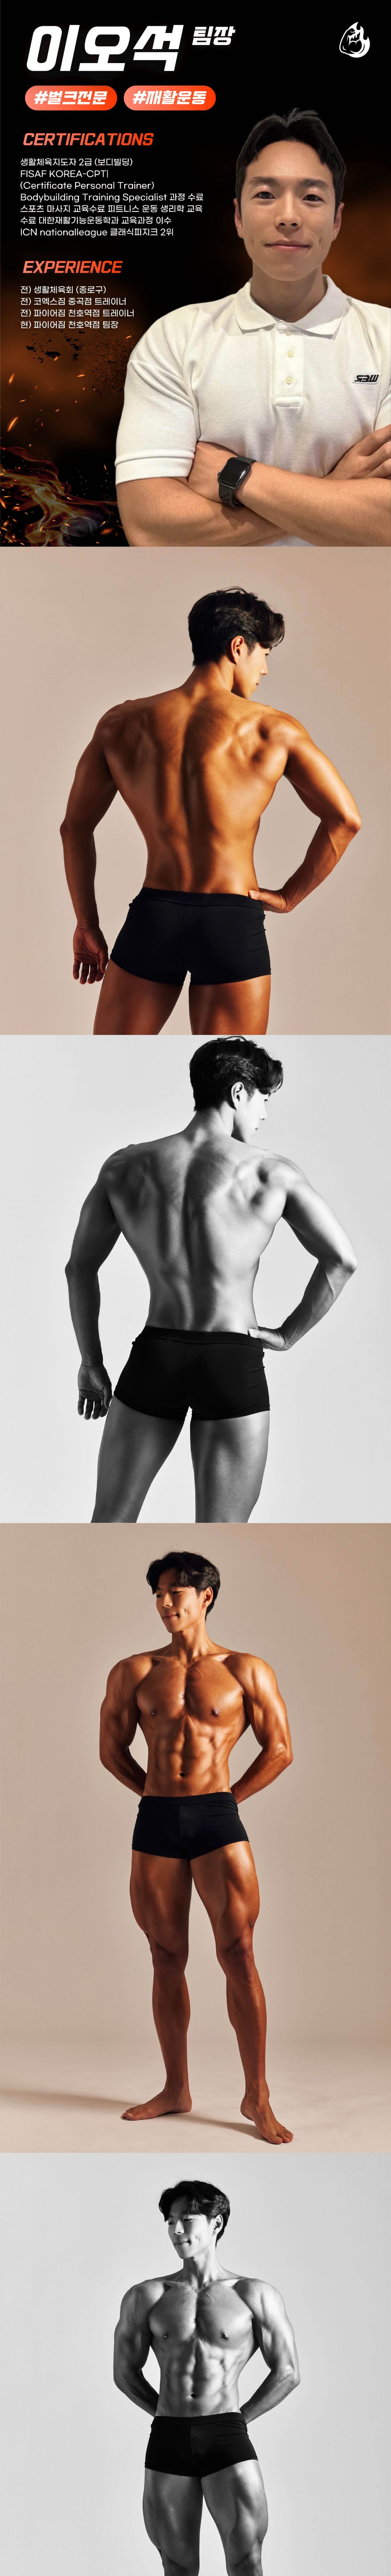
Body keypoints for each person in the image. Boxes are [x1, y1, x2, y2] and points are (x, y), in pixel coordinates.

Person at [65, 1036, 357, 1525]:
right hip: (231, 1358)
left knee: (110, 1521)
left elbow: (79, 1268)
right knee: (223, 1536)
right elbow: (342, 1260)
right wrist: (286, 1335)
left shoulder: (124, 1166)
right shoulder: (272, 1173)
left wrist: (91, 1362)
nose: (264, 1114)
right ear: (239, 1093)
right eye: (263, 1099)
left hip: (156, 1354)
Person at [61, 585, 360, 1034]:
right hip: (231, 920)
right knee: (230, 1069)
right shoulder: (273, 729)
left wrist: (87, 923)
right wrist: (289, 897)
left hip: (154, 916)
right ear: (238, 647)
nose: (264, 670)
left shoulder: (121, 723)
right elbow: (346, 819)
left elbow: (74, 829)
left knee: (112, 1065)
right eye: (264, 655)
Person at [115, 106, 391, 549]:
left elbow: (387, 522)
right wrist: (337, 488)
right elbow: (150, 527)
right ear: (239, 218)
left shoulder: (387, 338)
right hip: (214, 589)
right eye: (265, 194)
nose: (288, 216)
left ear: (337, 220)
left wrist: (239, 477)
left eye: (312, 197)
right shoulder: (174, 340)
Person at [100, 1548, 293, 2143]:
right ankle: (176, 2088)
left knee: (239, 1951)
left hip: (216, 1818)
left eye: (175, 1593)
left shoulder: (245, 1669)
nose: (164, 1603)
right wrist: (156, 1794)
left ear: (205, 1596)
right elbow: (111, 1750)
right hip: (157, 1821)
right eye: (158, 1594)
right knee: (165, 1956)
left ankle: (257, 2096)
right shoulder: (134, 1671)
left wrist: (227, 1800)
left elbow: (280, 1748)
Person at [113, 2177, 299, 2573]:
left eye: (188, 2219)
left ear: (217, 2223)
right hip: (168, 2437)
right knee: (177, 2566)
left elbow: (287, 2372)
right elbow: (125, 2372)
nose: (177, 2229)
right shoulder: (147, 2296)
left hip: (226, 2436)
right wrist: (165, 2414)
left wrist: (238, 2420)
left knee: (247, 2562)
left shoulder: (253, 2294)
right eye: (171, 2221)